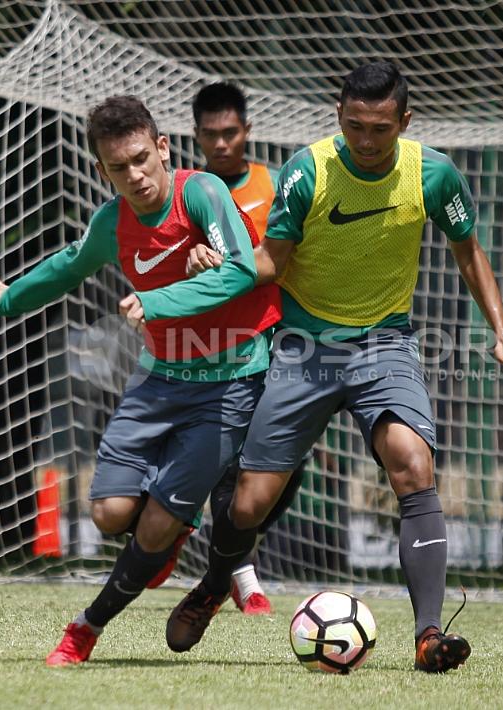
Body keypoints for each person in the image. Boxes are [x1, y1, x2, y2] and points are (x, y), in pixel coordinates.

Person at [127, 61, 503, 672]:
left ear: (405, 120)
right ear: (339, 118)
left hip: (385, 345)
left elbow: (469, 251)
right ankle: (217, 584)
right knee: (247, 506)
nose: (367, 141)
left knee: (413, 462)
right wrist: (210, 276)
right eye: (354, 127)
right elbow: (270, 264)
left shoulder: (433, 175)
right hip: (303, 349)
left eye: (380, 129)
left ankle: (429, 634)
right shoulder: (308, 172)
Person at [0, 95, 281, 666]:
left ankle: (85, 628)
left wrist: (158, 300)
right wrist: (9, 297)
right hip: (159, 380)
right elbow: (70, 264)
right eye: (119, 167)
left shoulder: (202, 193)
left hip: (232, 380)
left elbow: (241, 269)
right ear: (102, 170)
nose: (134, 175)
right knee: (110, 514)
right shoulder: (113, 220)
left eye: (142, 158)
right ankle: (164, 536)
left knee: (158, 524)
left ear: (163, 148)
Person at [182, 81, 305, 616]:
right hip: (213, 342)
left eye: (230, 132)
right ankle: (239, 573)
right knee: (225, 459)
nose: (221, 143)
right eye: (210, 135)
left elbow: (294, 255)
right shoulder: (188, 193)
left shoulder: (277, 186)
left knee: (290, 462)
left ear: (247, 131)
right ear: (197, 136)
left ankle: (224, 554)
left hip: (279, 336)